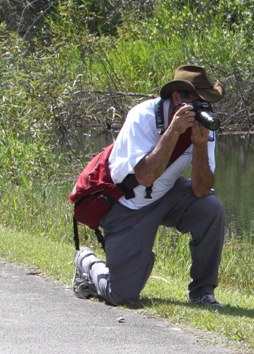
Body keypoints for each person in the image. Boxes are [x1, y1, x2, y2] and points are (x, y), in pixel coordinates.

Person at [72, 65, 226, 308]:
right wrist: (173, 132)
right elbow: (144, 177)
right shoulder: (142, 116)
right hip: (126, 205)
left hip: (165, 195)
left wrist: (199, 145)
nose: (203, 111)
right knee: (122, 295)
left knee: (211, 207)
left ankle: (202, 293)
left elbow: (201, 190)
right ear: (177, 98)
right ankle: (87, 263)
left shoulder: (205, 130)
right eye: (198, 103)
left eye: (208, 105)